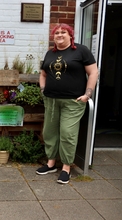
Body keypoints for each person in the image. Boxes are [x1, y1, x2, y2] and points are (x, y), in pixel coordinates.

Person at [36, 23, 98, 184]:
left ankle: (66, 167)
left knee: (67, 133)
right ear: (53, 36)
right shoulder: (50, 53)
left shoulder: (81, 50)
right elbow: (43, 74)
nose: (60, 35)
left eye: (64, 32)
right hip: (51, 100)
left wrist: (87, 94)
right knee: (49, 132)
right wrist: (43, 89)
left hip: (73, 101)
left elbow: (93, 72)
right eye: (57, 33)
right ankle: (51, 164)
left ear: (71, 35)